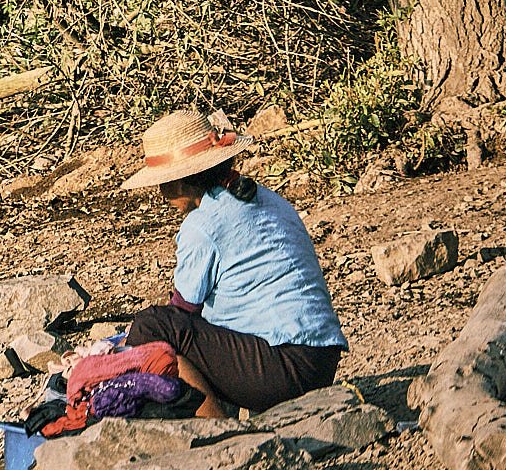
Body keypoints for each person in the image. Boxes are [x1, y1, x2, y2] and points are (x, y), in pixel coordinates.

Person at [119, 108, 347, 418]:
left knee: (153, 326)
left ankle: (223, 430)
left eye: (164, 183)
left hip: (284, 367)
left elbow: (182, 311)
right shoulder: (268, 198)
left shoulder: (202, 224)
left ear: (183, 181)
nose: (161, 193)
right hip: (320, 361)